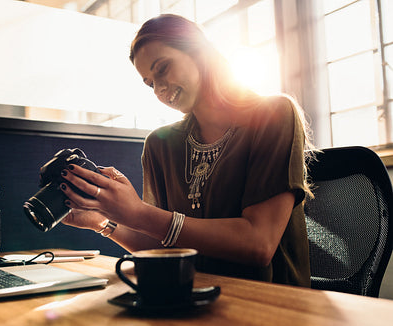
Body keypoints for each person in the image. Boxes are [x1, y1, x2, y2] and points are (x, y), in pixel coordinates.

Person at [58, 14, 314, 287]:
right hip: (190, 296)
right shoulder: (160, 144)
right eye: (149, 83)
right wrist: (102, 221)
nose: (159, 89)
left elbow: (259, 243)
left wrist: (138, 213)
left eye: (163, 68)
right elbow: (161, 245)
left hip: (271, 304)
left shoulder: (273, 114)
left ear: (199, 52)